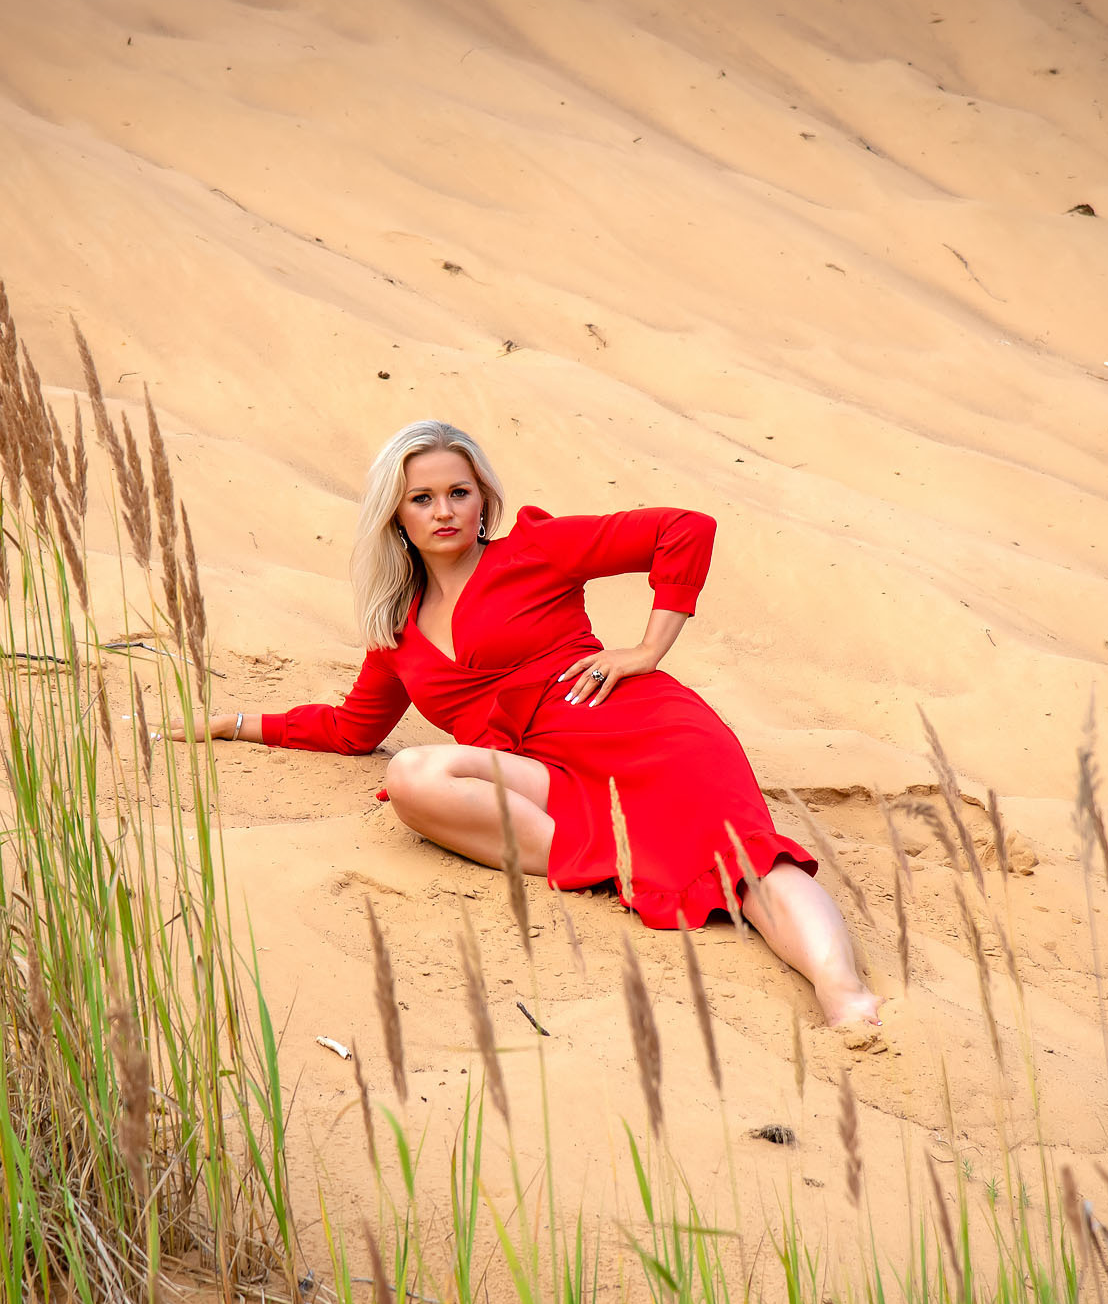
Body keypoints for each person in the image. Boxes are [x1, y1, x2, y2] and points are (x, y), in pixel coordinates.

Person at [160, 420, 881, 1031]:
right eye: (422, 498)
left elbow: (682, 531)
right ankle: (612, 866)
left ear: (483, 502)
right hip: (551, 770)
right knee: (414, 775)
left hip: (644, 730)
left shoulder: (536, 551)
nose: (444, 510)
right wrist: (240, 723)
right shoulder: (396, 634)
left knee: (746, 865)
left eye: (459, 493)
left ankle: (844, 997)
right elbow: (352, 729)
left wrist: (646, 649)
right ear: (396, 516)